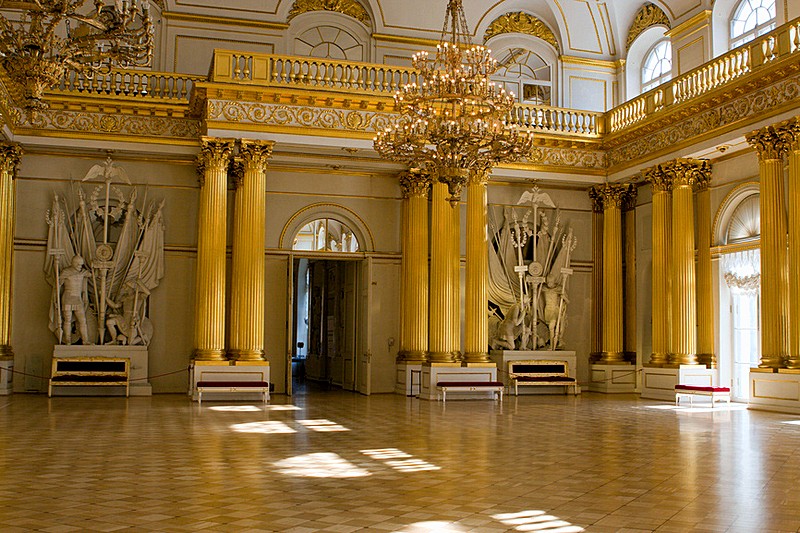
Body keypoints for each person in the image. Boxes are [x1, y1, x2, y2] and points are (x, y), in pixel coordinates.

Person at [60, 255, 92, 345]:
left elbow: (92, 274)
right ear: (73, 263)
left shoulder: (82, 272)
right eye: (78, 265)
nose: (80, 267)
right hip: (68, 297)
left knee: (82, 320)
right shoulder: (66, 272)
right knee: (68, 320)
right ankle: (68, 341)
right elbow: (58, 283)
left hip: (78, 298)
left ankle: (85, 341)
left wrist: (94, 266)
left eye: (81, 265)